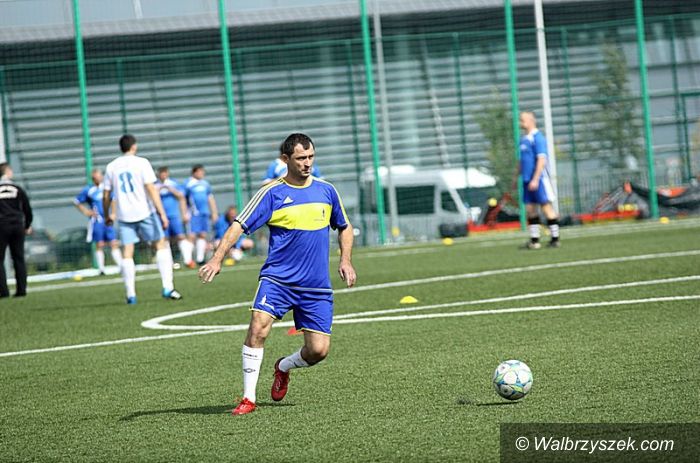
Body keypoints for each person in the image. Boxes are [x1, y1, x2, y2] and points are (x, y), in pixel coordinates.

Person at [199, 133, 356, 416]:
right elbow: (238, 225)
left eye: (311, 157)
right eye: (301, 158)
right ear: (285, 159)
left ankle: (283, 367)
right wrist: (217, 258)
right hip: (278, 280)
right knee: (258, 327)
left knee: (318, 351)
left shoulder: (327, 190)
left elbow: (344, 227)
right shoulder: (271, 192)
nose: (307, 163)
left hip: (316, 285)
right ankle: (248, 398)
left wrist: (345, 260)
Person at [103, 134, 182, 304]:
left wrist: (107, 215)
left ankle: (131, 294)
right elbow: (151, 189)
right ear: (134, 146)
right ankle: (167, 287)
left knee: (127, 252)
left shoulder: (111, 166)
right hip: (145, 212)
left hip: (124, 215)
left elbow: (106, 194)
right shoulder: (142, 162)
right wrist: (162, 213)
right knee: (160, 244)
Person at [517, 111, 560, 249]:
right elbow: (521, 161)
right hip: (526, 180)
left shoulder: (538, 138)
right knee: (530, 209)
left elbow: (542, 159)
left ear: (531, 120)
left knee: (546, 207)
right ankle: (535, 240)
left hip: (539, 180)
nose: (520, 123)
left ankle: (555, 239)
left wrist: (535, 179)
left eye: (522, 120)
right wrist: (516, 177)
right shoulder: (523, 139)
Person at [73, 168, 123, 275]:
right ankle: (101, 269)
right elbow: (76, 202)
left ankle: (121, 267)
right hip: (97, 220)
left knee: (113, 242)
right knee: (99, 244)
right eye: (95, 177)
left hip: (107, 219)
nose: (98, 179)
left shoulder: (106, 187)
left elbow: (113, 200)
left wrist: (113, 213)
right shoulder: (88, 190)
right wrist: (86, 211)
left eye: (99, 176)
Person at [0, 163, 33, 298]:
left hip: (2, 225)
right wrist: (27, 225)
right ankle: (21, 290)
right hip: (18, 225)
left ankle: (3, 291)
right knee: (18, 257)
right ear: (8, 172)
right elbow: (27, 208)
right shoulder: (17, 188)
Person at [155, 166, 195, 269]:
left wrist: (170, 189)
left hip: (174, 215)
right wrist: (158, 190)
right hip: (161, 216)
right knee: (165, 239)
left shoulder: (173, 184)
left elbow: (181, 197)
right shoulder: (155, 185)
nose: (163, 175)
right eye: (161, 173)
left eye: (165, 173)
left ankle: (187, 260)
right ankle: (169, 262)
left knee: (180, 236)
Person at [185, 164, 218, 264]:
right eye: (200, 172)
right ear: (194, 172)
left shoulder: (205, 184)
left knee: (202, 234)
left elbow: (210, 198)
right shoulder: (188, 183)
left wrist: (214, 212)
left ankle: (200, 259)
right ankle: (188, 260)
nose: (202, 174)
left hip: (204, 213)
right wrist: (185, 213)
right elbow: (183, 199)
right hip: (194, 213)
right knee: (191, 236)